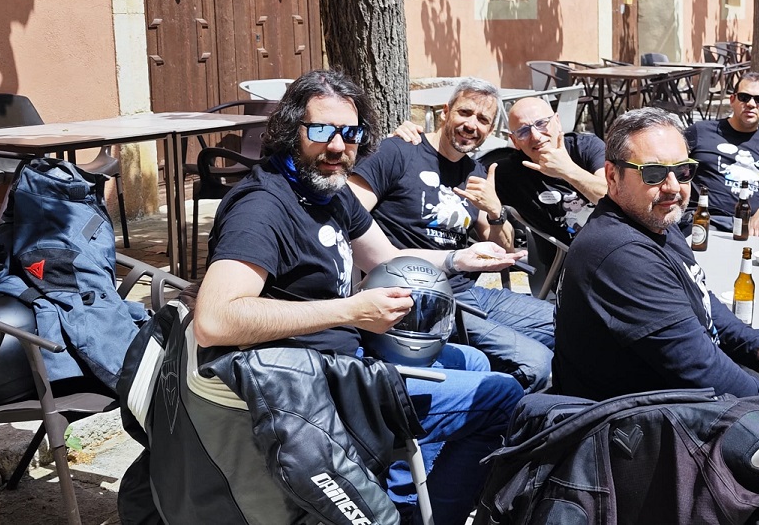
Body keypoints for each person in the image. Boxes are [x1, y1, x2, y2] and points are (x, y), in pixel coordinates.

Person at [193, 69, 528, 524]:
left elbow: (386, 258)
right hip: (309, 386)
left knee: (474, 361)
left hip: (350, 356)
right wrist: (351, 310)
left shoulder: (327, 190)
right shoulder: (263, 206)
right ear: (290, 131)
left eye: (350, 133)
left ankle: (400, 496)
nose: (337, 147)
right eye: (321, 132)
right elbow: (215, 320)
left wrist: (459, 259)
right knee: (503, 396)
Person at [552, 107, 759, 410]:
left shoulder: (655, 220)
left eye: (683, 171)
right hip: (631, 420)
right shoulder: (621, 253)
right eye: (653, 173)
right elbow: (694, 363)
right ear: (613, 176)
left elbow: (700, 297)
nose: (673, 187)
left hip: (674, 394)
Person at [349, 78, 556, 392]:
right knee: (535, 363)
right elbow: (349, 212)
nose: (472, 125)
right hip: (418, 298)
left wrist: (495, 210)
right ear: (445, 112)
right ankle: (491, 410)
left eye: (483, 119)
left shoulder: (476, 172)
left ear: (490, 130)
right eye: (465, 112)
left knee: (565, 323)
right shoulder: (399, 151)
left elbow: (502, 248)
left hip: (469, 293)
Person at [481, 95, 608, 254]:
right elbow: (498, 251)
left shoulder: (586, 148)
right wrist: (495, 215)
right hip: (565, 261)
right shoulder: (507, 173)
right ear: (514, 141)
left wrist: (567, 170)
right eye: (523, 131)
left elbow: (614, 199)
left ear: (557, 122)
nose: (536, 136)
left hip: (616, 248)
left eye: (541, 123)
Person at [685, 72, 759, 238]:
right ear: (732, 100)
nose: (751, 104)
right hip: (707, 222)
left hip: (755, 226)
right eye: (744, 97)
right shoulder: (701, 132)